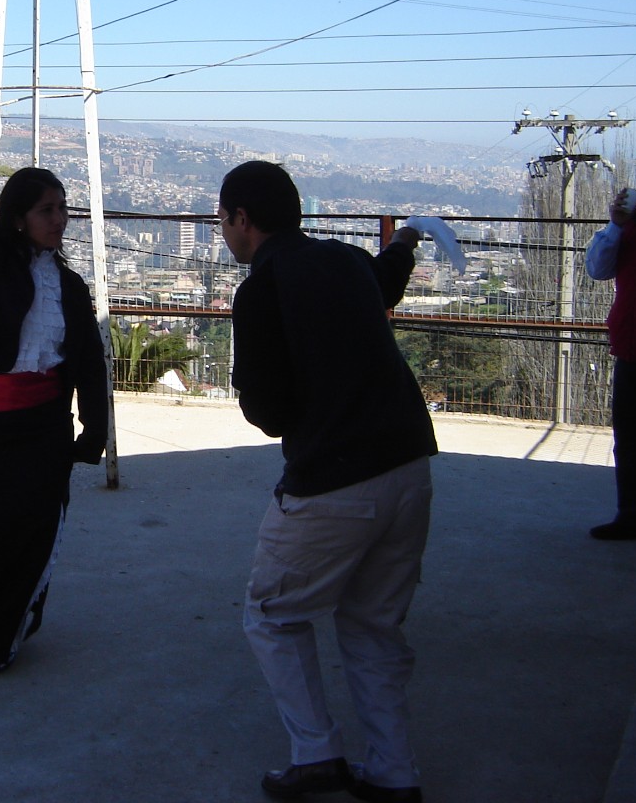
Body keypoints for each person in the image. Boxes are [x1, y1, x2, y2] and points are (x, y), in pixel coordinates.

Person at [217, 161, 437, 803]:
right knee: (372, 624)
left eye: (223, 220)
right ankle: (394, 773)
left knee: (271, 613)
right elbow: (387, 277)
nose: (223, 232)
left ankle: (316, 754)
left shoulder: (261, 289)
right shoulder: (344, 259)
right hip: (408, 462)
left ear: (243, 219)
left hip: (334, 478)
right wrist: (405, 239)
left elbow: (267, 411)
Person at [0, 98, 107, 672]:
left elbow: (88, 363)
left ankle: (6, 635)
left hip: (44, 428)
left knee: (34, 534)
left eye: (63, 208)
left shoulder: (71, 287)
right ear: (18, 218)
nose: (59, 219)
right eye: (46, 209)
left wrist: (94, 430)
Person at [584, 146, 636, 542]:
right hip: (632, 346)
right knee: (632, 441)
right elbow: (598, 269)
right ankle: (635, 518)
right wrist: (616, 226)